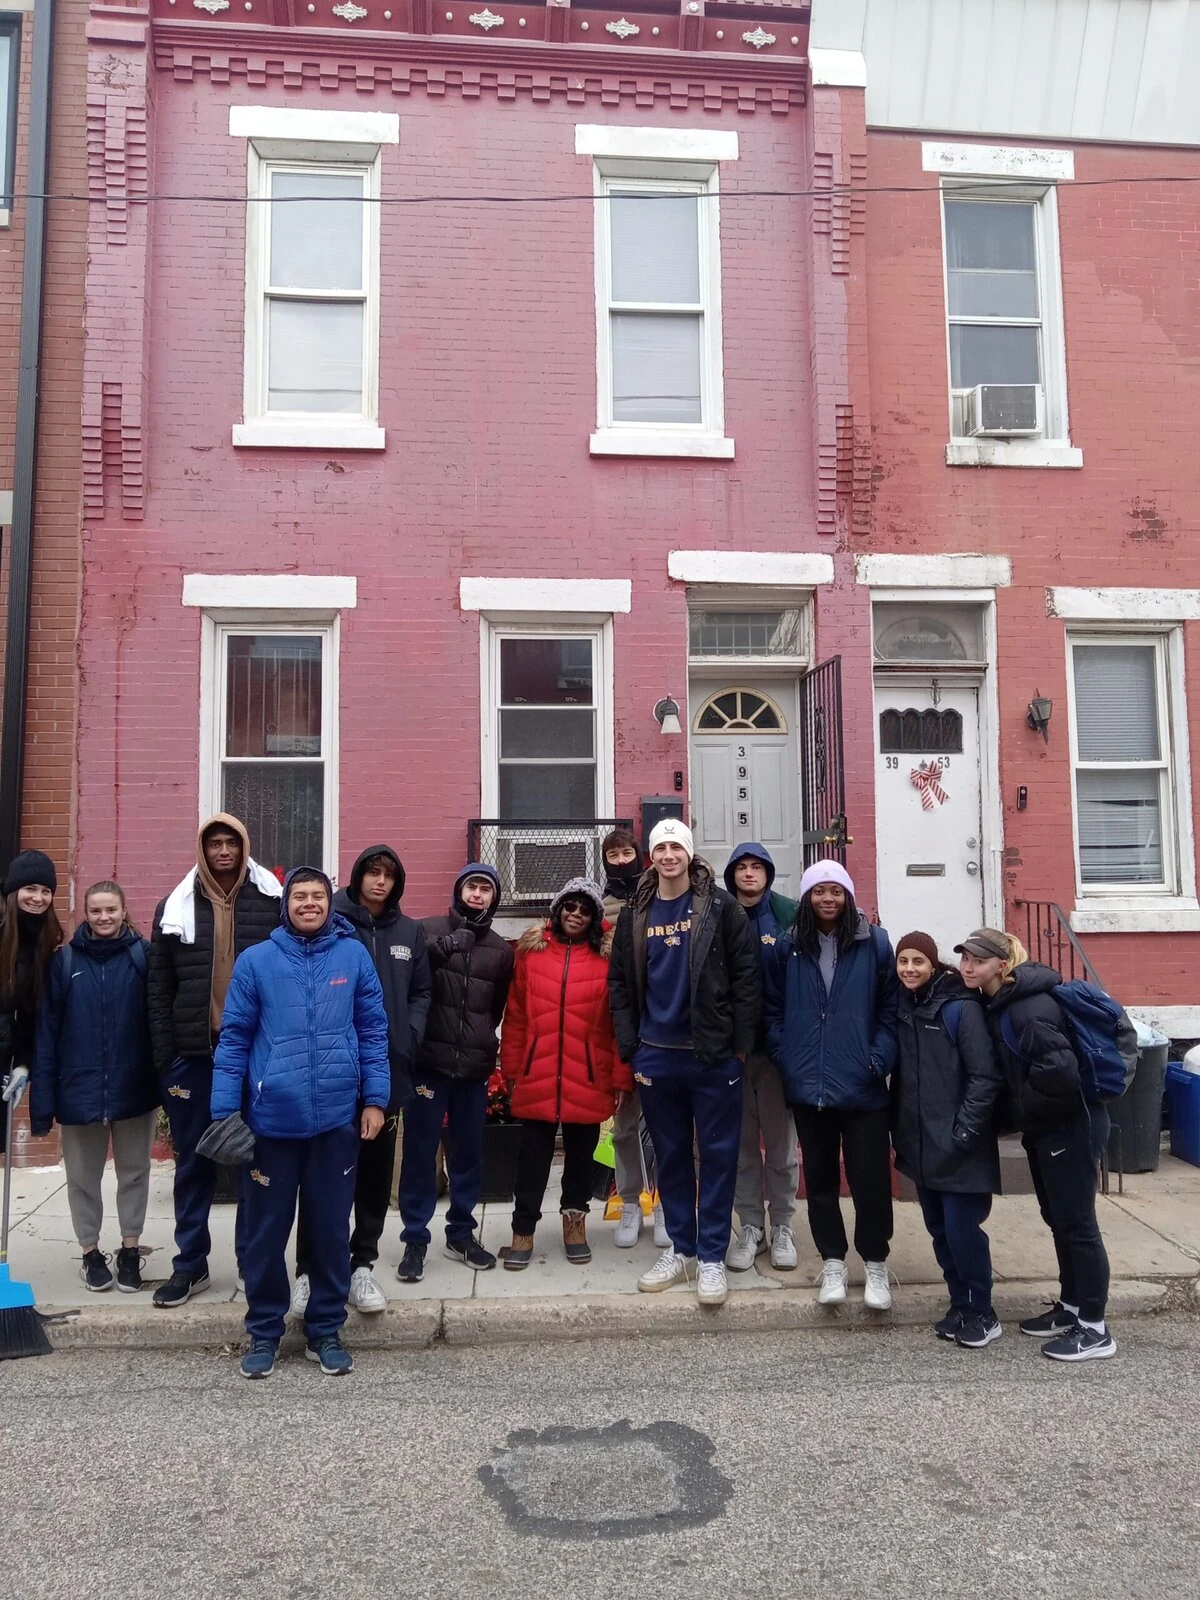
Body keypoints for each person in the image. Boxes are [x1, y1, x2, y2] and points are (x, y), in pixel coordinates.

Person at [211, 868, 390, 1380]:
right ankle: (264, 1331)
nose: (309, 904)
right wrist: (225, 1111)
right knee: (266, 1235)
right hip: (272, 1124)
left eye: (318, 897)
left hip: (336, 1121)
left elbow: (374, 1030)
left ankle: (325, 1329)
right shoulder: (256, 962)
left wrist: (374, 1099)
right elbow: (234, 1041)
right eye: (300, 897)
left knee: (332, 1231)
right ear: (285, 905)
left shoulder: (353, 957)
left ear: (329, 905)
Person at [608, 818, 759, 1308]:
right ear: (651, 856)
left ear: (690, 855)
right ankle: (682, 1247)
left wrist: (738, 1047)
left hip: (713, 1057)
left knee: (717, 1157)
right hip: (657, 1056)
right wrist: (632, 1047)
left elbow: (747, 979)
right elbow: (620, 986)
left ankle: (712, 1256)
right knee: (670, 1157)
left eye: (677, 847)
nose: (669, 855)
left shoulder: (720, 907)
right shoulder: (636, 911)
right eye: (661, 847)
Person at [957, 928, 1116, 1362]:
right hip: (1049, 1129)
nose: (968, 966)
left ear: (1002, 966)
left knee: (1078, 1223)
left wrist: (1023, 1109)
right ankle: (1071, 1308)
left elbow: (1060, 1074)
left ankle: (1096, 1328)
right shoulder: (1001, 1002)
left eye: (978, 959)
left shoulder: (1027, 1009)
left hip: (1070, 1125)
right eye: (965, 958)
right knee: (1059, 1218)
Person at [147, 814, 281, 1308]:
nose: (223, 852)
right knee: (193, 1166)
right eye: (214, 844)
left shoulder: (271, 901)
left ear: (244, 848)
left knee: (256, 1163)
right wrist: (168, 1063)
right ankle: (191, 1265)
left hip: (254, 1056)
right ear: (202, 852)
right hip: (195, 1056)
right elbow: (159, 990)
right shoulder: (175, 907)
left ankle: (253, 1264)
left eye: (231, 843)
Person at [292, 845, 432, 1318]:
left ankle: (362, 1264)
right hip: (329, 1072)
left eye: (388, 876)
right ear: (356, 877)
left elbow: (421, 991)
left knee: (373, 1176)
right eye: (372, 873)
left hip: (386, 1070)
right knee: (321, 1179)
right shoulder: (334, 924)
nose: (379, 882)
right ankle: (309, 1271)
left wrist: (409, 1035)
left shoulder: (409, 932)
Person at [765, 860, 899, 1311]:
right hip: (809, 1086)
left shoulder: (874, 943)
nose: (827, 899)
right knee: (819, 1182)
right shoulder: (789, 947)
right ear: (806, 897)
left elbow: (890, 1010)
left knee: (870, 1181)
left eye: (836, 891)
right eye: (819, 891)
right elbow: (771, 1009)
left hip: (861, 1085)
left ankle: (876, 1264)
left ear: (848, 896)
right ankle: (834, 1263)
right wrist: (787, 1054)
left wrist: (878, 1058)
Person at [31, 881, 159, 1293]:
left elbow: (159, 1026)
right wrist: (43, 1103)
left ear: (124, 911)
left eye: (111, 910)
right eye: (96, 911)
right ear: (85, 914)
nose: (104, 918)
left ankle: (129, 1251)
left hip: (133, 1088)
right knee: (83, 1179)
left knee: (135, 1174)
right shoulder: (63, 963)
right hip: (79, 1091)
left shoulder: (144, 958)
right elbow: (46, 1035)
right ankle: (90, 1253)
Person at [498, 878, 630, 1270]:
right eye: (569, 907)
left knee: (579, 1159)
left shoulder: (608, 960)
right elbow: (516, 1015)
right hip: (537, 1071)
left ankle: (575, 1223)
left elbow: (618, 1023)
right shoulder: (531, 954)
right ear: (558, 911)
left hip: (589, 1076)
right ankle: (523, 1230)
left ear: (594, 918)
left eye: (584, 909)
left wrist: (621, 1078)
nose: (576, 914)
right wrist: (511, 1068)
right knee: (532, 1159)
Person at [396, 864, 514, 1282]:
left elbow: (495, 1006)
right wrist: (443, 947)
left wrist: (484, 1041)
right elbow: (406, 980)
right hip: (429, 1064)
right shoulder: (424, 930)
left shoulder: (501, 950)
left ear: (493, 897)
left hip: (474, 1067)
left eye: (486, 888)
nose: (478, 894)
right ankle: (414, 1237)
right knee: (420, 1154)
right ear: (459, 891)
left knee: (469, 1154)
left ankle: (461, 1233)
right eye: (472, 886)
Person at [892, 930, 1004, 1349]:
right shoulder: (905, 1006)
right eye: (903, 961)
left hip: (960, 1144)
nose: (909, 969)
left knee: (963, 1231)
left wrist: (965, 1130)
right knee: (939, 1229)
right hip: (921, 1144)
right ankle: (961, 1304)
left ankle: (984, 1311)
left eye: (918, 962)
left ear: (933, 964)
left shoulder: (960, 1009)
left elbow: (985, 1077)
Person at [723, 844, 800, 1273]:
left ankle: (783, 1224)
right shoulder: (717, 912)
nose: (749, 874)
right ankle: (750, 1226)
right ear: (732, 875)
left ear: (768, 874)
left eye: (757, 868)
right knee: (742, 1149)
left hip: (775, 1052)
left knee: (782, 1146)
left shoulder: (788, 914)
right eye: (742, 868)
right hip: (731, 1053)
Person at [601, 827, 667, 1251]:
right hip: (617, 1029)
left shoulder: (658, 896)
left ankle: (664, 1203)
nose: (622, 860)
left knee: (665, 1127)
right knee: (623, 1128)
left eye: (628, 852)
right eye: (614, 854)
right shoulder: (599, 903)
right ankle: (628, 1202)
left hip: (661, 1026)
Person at [0, 851, 64, 1150]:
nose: (38, 898)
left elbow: (30, 1013)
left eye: (46, 891)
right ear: (13, 892)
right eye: (30, 889)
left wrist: (23, 1064)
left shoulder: (45, 942)